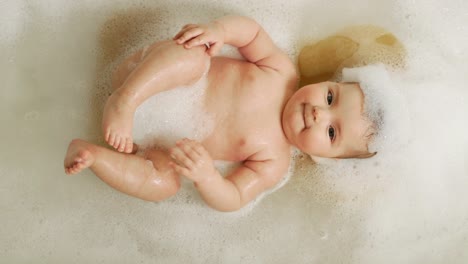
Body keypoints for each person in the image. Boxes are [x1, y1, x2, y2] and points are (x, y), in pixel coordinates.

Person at [63, 15, 376, 212]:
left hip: (147, 141)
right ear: (327, 82)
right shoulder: (282, 72)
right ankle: (125, 100)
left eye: (332, 133)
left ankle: (94, 157)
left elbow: (235, 197)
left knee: (165, 184)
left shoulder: (274, 161)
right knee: (195, 58)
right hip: (145, 75)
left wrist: (207, 177)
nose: (319, 113)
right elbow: (253, 34)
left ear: (327, 159)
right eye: (331, 97)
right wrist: (219, 32)